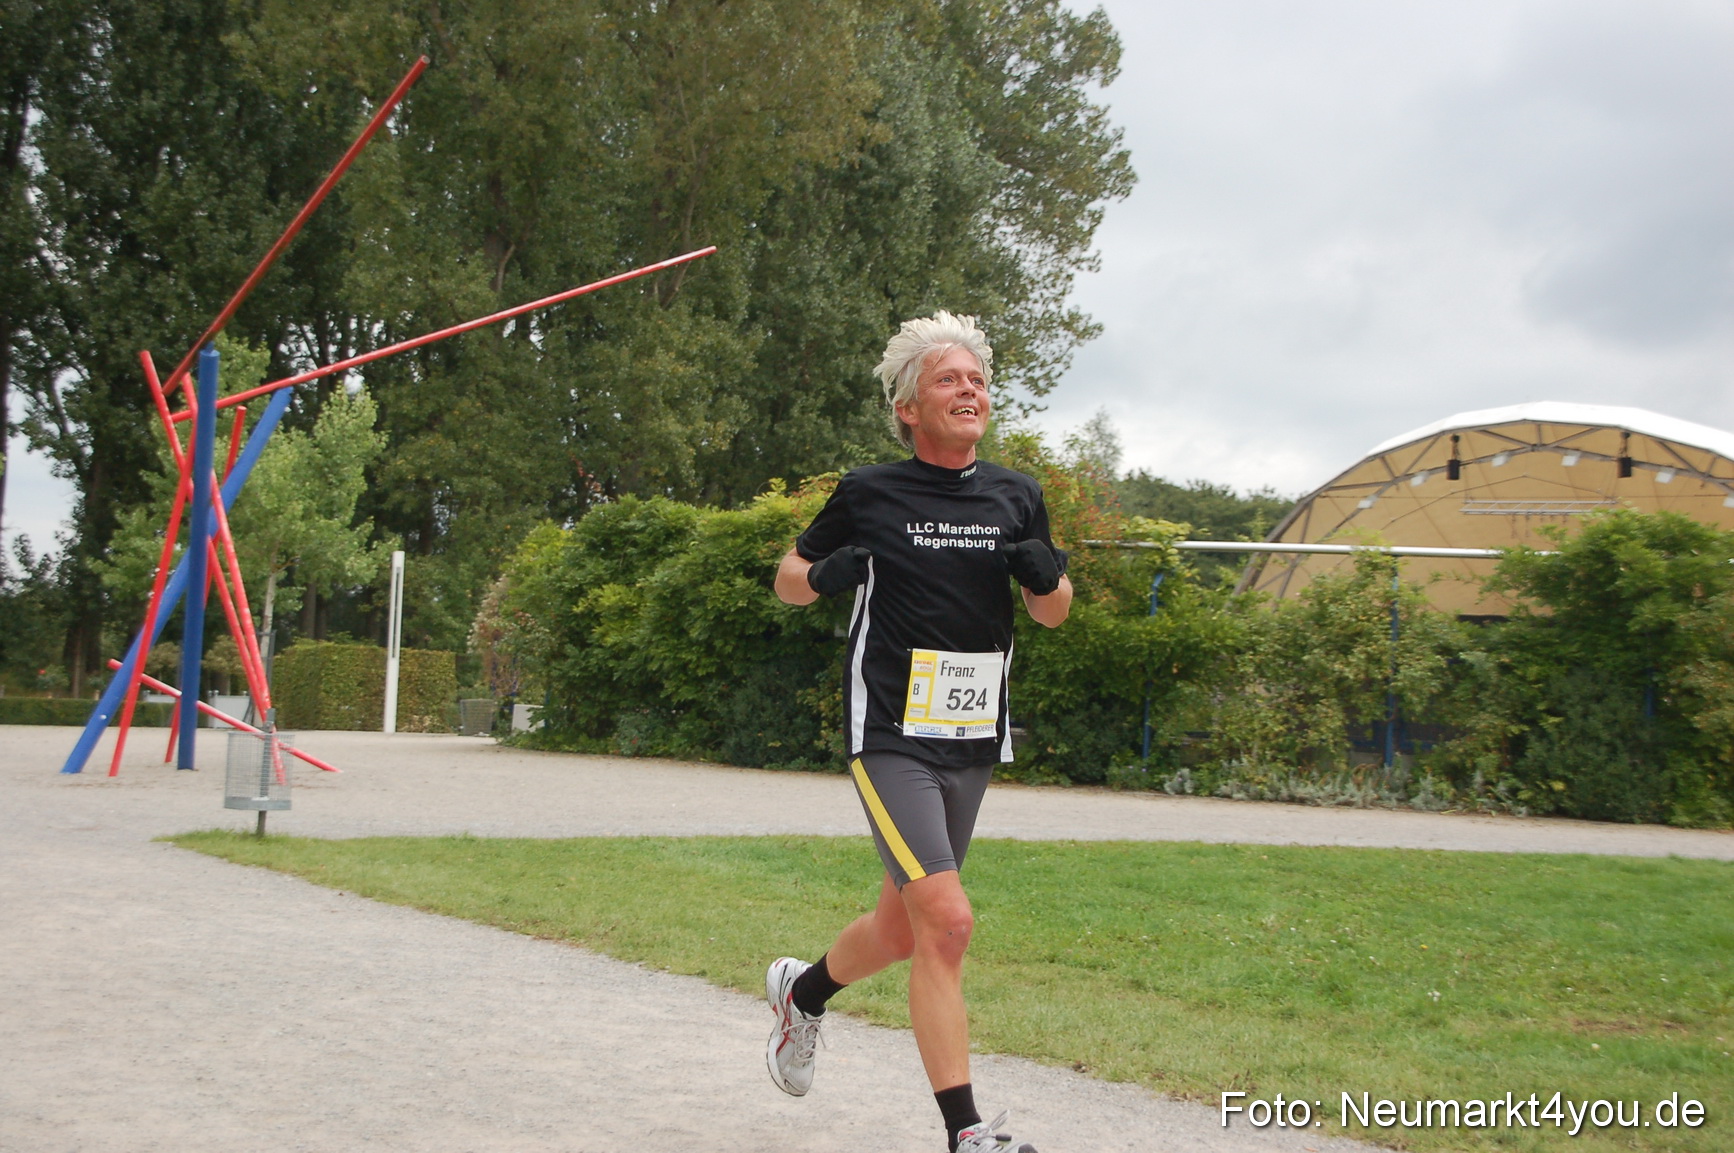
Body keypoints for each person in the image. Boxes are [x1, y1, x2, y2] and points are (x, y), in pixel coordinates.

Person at [766, 311, 1072, 1153]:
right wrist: (828, 572)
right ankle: (967, 1133)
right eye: (949, 379)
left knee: (906, 927)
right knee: (949, 918)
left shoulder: (1016, 493)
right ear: (908, 406)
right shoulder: (870, 490)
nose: (969, 390)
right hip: (891, 731)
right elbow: (789, 580)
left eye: (976, 380)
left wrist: (1046, 576)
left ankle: (805, 994)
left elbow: (1053, 611)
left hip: (972, 736)